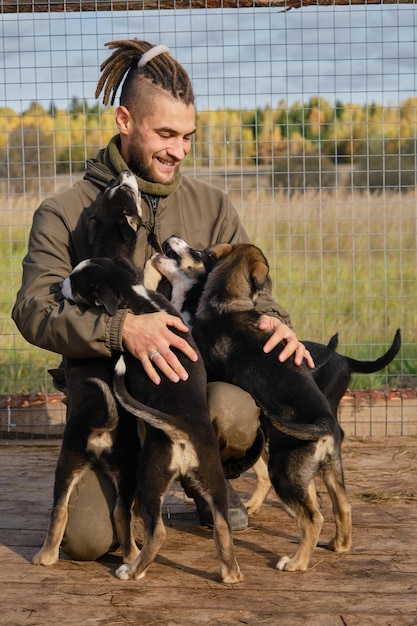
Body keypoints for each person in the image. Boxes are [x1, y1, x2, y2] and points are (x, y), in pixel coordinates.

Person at [12, 39, 314, 560]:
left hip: (190, 396)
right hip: (111, 399)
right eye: (166, 134)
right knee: (86, 543)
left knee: (234, 412)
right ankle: (137, 485)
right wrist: (118, 331)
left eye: (188, 137)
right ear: (125, 120)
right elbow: (34, 309)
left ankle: (204, 482)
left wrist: (276, 322)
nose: (179, 150)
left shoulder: (212, 206)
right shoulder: (63, 211)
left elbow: (254, 293)